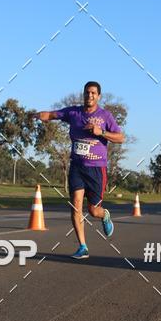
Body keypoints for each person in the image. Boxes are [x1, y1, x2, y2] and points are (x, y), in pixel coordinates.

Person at [37, 81, 125, 259]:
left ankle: (104, 214)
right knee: (76, 204)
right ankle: (82, 246)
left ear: (99, 96)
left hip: (96, 169)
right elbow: (53, 114)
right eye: (87, 92)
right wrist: (37, 115)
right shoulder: (74, 112)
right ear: (83, 94)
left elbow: (121, 137)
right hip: (77, 166)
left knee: (93, 211)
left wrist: (101, 132)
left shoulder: (105, 116)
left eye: (93, 93)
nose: (90, 95)